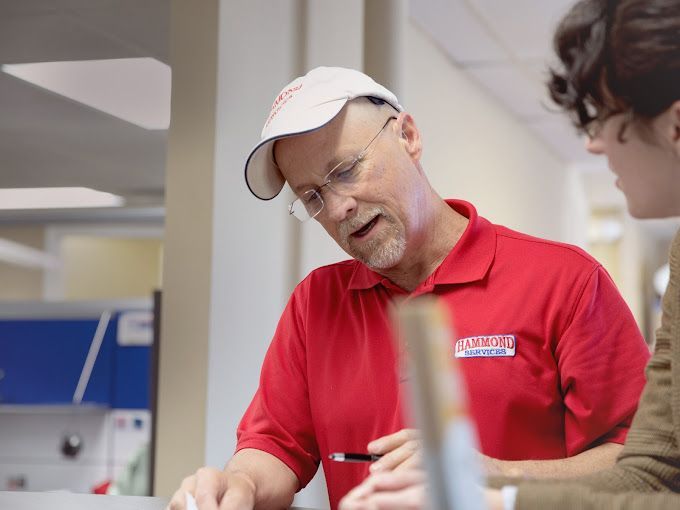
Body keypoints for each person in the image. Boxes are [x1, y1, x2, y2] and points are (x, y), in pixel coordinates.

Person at [167, 66, 650, 510]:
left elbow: (640, 464)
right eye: (312, 196)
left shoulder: (564, 280)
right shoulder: (315, 303)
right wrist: (241, 486)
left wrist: (493, 475)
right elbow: (275, 446)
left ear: (409, 137)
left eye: (345, 170)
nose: (337, 208)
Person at [338, 0, 680, 508]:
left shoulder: (569, 278)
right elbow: (652, 470)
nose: (593, 144)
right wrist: (478, 484)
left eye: (606, 116)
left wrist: (494, 500)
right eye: (312, 196)